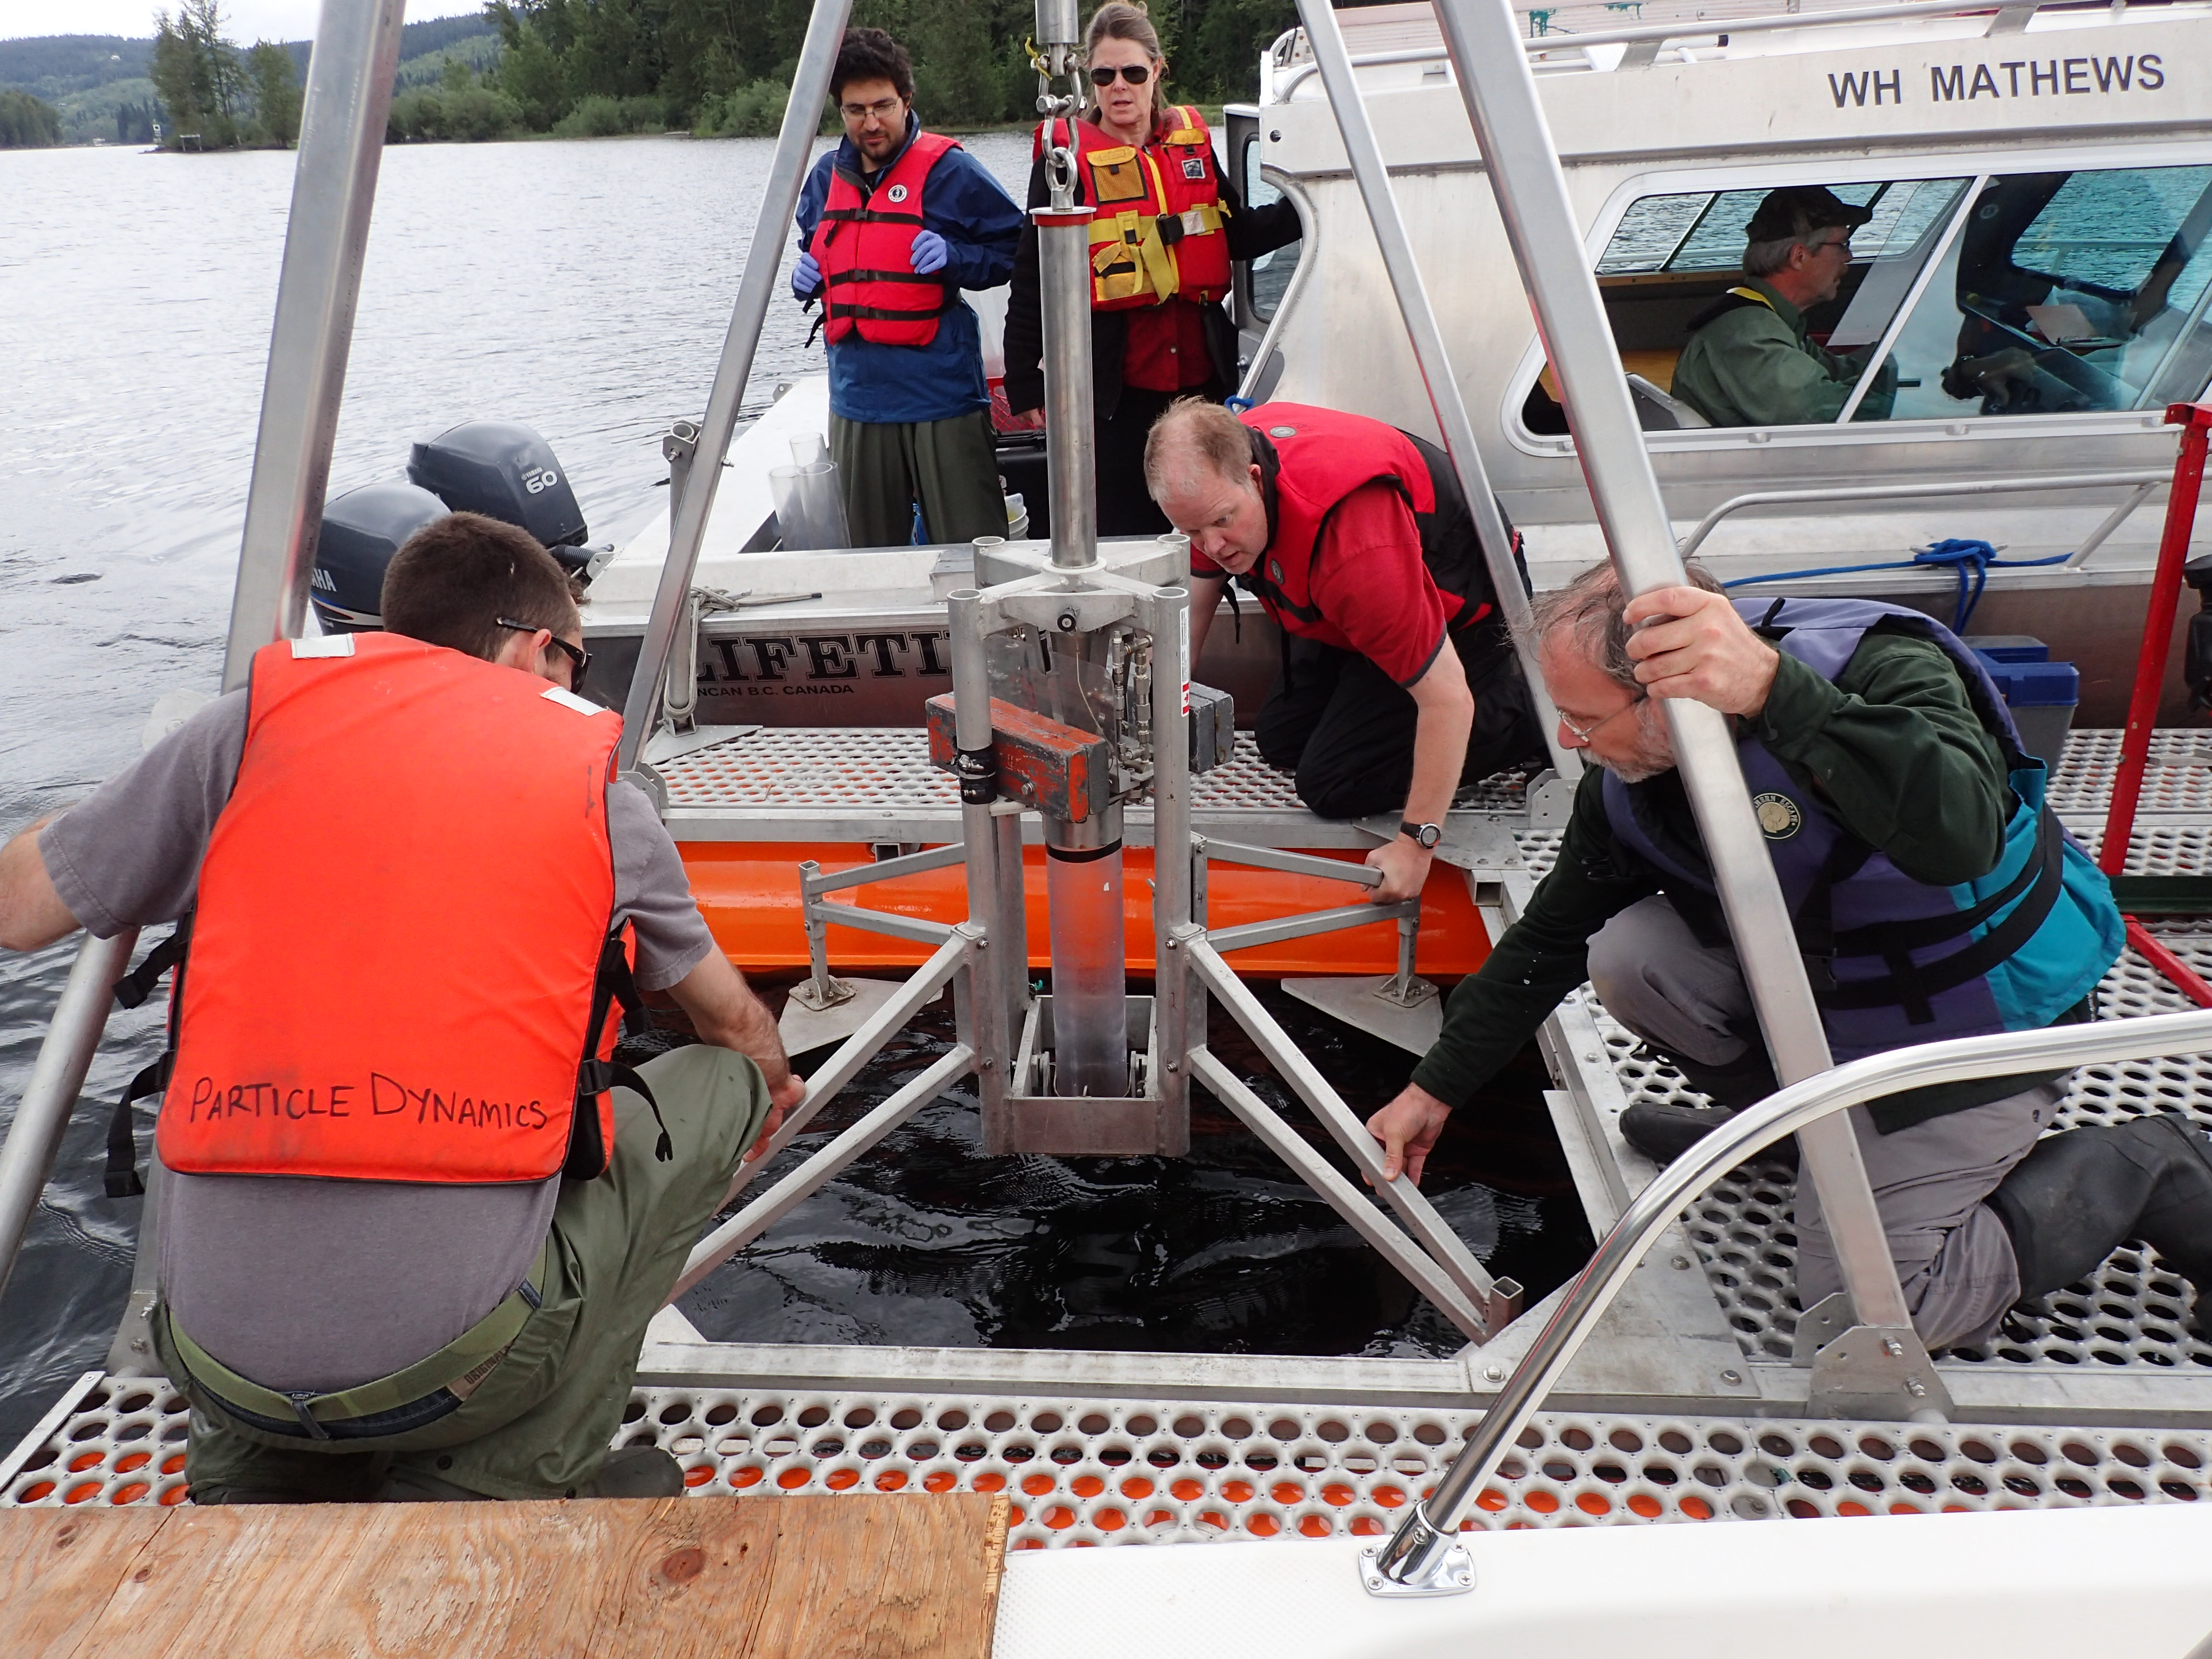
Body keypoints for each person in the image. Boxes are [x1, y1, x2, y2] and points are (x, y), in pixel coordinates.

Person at [0, 513, 805, 1503]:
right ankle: (502, 1485)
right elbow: (732, 1026)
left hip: (208, 1359)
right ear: (532, 647)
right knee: (719, 1086)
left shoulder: (239, 734)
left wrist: (119, 818)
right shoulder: (601, 798)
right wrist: (771, 1088)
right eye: (575, 663)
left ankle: (253, 1479)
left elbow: (19, 908)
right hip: (459, 1376)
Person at [1356, 565, 2212, 1354]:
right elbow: (1544, 943)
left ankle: (2146, 1163)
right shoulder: (1631, 786)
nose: (1572, 741)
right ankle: (1802, 1131)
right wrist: (1433, 1090)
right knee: (1628, 955)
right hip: (1837, 1003)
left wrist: (1777, 695)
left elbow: (1958, 835)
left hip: (1971, 1030)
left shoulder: (1883, 673)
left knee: (1880, 1316)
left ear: (1672, 693)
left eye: (1584, 718)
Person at [1144, 398, 1543, 897]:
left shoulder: (1357, 550)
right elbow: (1190, 622)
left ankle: (1536, 710)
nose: (1215, 547)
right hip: (1352, 620)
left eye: (1223, 521)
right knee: (1281, 739)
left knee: (1332, 784)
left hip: (1465, 619)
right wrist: (1149, 733)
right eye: (1192, 532)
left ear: (1255, 477)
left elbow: (1446, 699)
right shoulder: (1215, 487)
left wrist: (1417, 845)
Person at [1001, 1, 1302, 537]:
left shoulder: (1190, 146)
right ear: (1090, 80)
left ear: (1156, 71)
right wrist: (1025, 381)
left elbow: (1239, 234)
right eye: (1104, 74)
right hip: (1118, 393)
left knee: (1209, 520)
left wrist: (1313, 207)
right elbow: (1032, 276)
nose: (1120, 87)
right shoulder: (1064, 161)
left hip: (1200, 381)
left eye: (1133, 73)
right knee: (1124, 529)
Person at [792, 27, 1024, 547]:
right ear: (839, 110)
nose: (871, 123)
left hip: (941, 395)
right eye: (856, 110)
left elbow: (1017, 250)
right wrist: (802, 277)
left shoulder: (953, 172)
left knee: (974, 552)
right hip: (857, 400)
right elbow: (820, 252)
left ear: (907, 100)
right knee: (869, 558)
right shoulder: (823, 180)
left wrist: (955, 257)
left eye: (883, 106)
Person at [1670, 185, 1898, 429]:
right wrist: (1910, 402)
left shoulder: (1773, 321)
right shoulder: (1750, 333)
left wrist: (1900, 364)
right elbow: (1821, 410)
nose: (1849, 257)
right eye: (1843, 245)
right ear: (1799, 257)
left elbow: (1835, 372)